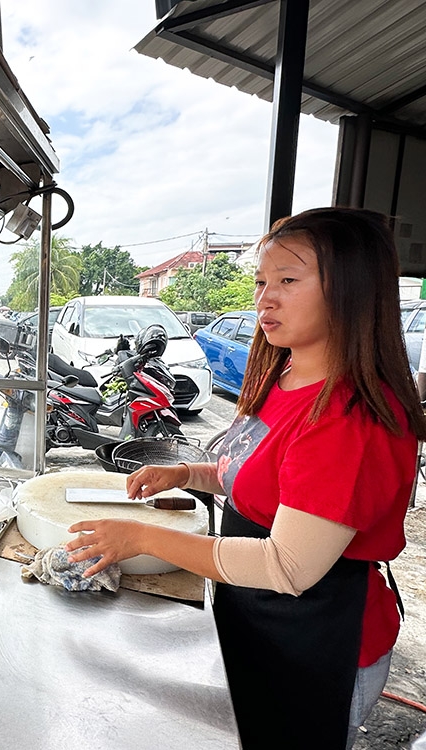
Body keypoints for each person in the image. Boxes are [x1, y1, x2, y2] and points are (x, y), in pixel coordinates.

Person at [65, 207, 426, 750]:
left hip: (319, 638)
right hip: (261, 618)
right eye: (261, 281)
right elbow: (257, 477)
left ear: (351, 289)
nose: (265, 298)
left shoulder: (348, 418)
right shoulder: (286, 371)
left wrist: (139, 538)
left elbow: (288, 565)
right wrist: (187, 472)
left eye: (288, 281)